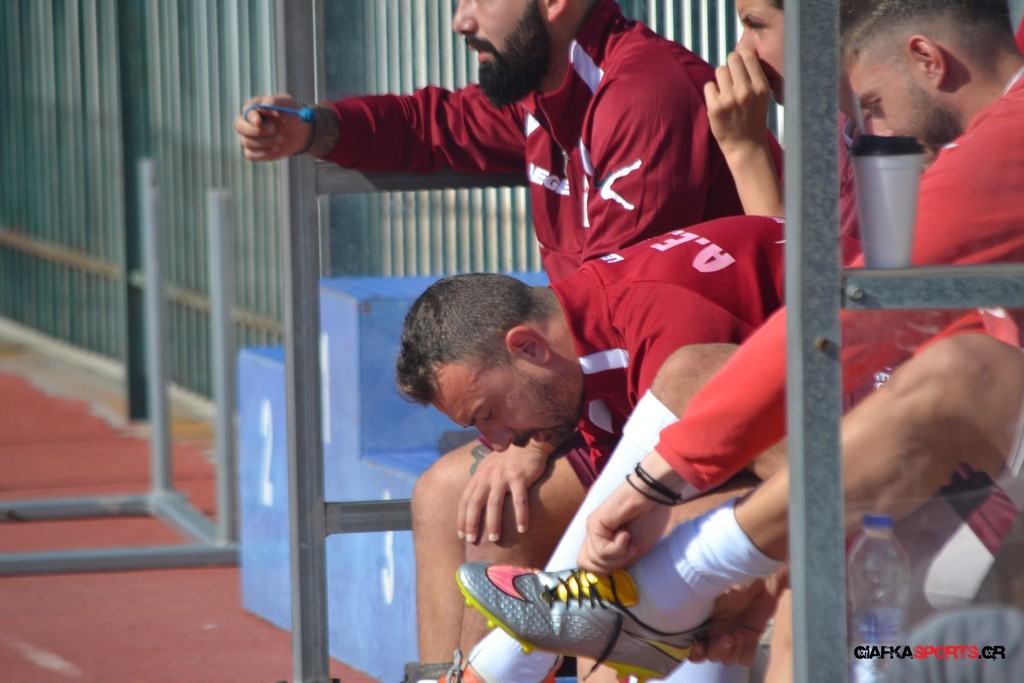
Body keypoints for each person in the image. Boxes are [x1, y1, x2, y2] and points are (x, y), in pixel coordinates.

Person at [454, 0, 1024, 676]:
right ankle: (617, 615)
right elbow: (853, 310)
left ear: (927, 59)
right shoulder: (899, 140)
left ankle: (650, 598)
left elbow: (845, 314)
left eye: (871, 102)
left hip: (965, 480)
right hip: (950, 466)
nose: (739, 53)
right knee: (799, 603)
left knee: (943, 378)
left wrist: (657, 479)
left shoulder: (991, 144)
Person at [235, 3, 781, 675]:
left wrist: (539, 442)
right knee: (449, 494)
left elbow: (612, 319)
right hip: (615, 384)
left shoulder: (646, 95)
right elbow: (435, 126)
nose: (461, 20)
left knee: (511, 517)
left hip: (674, 392)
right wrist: (319, 129)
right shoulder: (544, 92)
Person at [395, 214, 790, 682]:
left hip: (850, 409)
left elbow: (713, 471)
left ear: (529, 347)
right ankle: (478, 668)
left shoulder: (663, 326)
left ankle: (502, 663)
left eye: (489, 414)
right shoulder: (584, 331)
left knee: (654, 541)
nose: (498, 441)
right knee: (502, 507)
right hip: (785, 421)